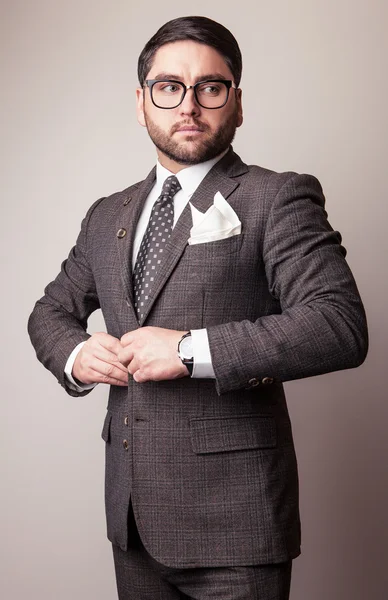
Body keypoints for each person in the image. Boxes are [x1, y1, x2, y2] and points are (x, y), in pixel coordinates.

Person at [28, 15, 368, 600]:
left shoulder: (276, 196)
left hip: (237, 527)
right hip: (132, 522)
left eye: (211, 87)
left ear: (237, 104)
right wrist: (78, 353)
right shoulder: (106, 215)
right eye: (169, 87)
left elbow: (338, 324)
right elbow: (49, 313)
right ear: (142, 103)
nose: (189, 106)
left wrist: (189, 350)